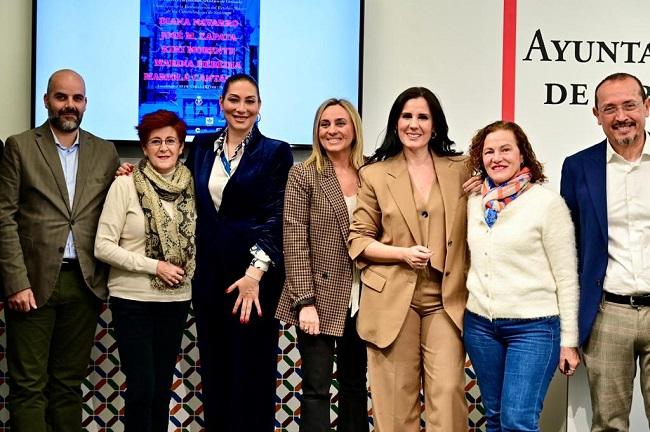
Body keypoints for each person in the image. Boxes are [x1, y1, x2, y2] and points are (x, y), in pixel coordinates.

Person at [0, 69, 120, 432]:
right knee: (28, 386)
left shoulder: (105, 151)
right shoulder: (20, 145)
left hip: (84, 285)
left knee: (68, 385)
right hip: (32, 285)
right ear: (47, 100)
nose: (70, 105)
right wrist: (15, 283)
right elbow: (4, 217)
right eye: (61, 97)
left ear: (86, 103)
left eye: (77, 98)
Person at [348, 87, 469, 432]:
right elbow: (358, 240)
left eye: (422, 117)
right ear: (395, 122)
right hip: (391, 298)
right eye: (406, 116)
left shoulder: (461, 169)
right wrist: (401, 254)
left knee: (447, 393)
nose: (413, 124)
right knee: (394, 401)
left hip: (445, 299)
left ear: (435, 125)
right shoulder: (374, 174)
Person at [186, 73, 293, 431]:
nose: (241, 108)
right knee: (214, 373)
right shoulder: (200, 148)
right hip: (208, 281)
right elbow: (180, 194)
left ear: (259, 107)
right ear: (221, 103)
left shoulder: (276, 152)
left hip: (254, 283)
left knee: (252, 374)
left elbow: (277, 216)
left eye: (249, 101)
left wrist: (255, 273)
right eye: (234, 99)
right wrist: (128, 170)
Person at [463, 120, 580, 432]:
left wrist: (569, 342)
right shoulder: (475, 200)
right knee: (496, 418)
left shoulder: (546, 204)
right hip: (480, 326)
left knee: (518, 421)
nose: (496, 157)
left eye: (505, 149)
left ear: (522, 155)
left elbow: (567, 276)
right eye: (489, 151)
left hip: (534, 329)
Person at [94, 110, 194, 431]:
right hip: (132, 300)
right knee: (142, 389)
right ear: (144, 147)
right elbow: (103, 247)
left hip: (176, 301)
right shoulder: (125, 184)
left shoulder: (192, 185)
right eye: (155, 142)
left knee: (162, 391)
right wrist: (155, 266)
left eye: (170, 141)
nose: (163, 148)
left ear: (181, 146)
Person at [561, 72, 650, 431]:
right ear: (596, 115)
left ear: (647, 106)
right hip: (608, 313)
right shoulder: (579, 167)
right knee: (609, 424)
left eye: (629, 105)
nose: (621, 116)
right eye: (609, 108)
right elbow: (569, 248)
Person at [275, 99, 368, 432]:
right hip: (319, 297)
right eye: (325, 124)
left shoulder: (372, 172)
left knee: (355, 385)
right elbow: (295, 240)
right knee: (316, 390)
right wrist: (305, 302)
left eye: (340, 123)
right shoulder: (304, 174)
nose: (332, 130)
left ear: (354, 127)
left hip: (366, 296)